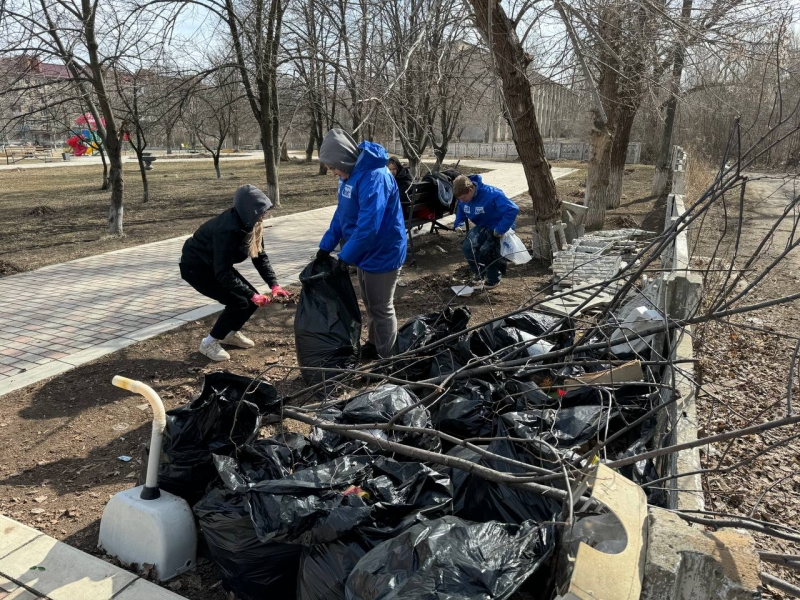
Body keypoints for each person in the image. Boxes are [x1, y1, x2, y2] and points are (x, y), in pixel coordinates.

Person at [316, 129, 407, 360]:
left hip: (383, 251)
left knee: (382, 307)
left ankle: (388, 359)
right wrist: (325, 246)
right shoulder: (348, 175)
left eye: (333, 167)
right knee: (370, 302)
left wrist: (345, 257)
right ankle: (374, 344)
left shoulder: (375, 177)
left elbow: (368, 226)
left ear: (343, 160)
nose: (334, 173)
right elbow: (341, 214)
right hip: (365, 251)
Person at [179, 184, 290, 362]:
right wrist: (252, 294)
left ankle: (229, 333)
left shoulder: (251, 224)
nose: (264, 214)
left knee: (251, 302)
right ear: (249, 209)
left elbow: (259, 256)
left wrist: (274, 285)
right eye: (261, 210)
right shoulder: (226, 230)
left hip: (216, 266)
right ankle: (209, 343)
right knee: (239, 302)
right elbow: (222, 273)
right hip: (197, 268)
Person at [452, 174, 519, 290]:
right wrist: (458, 223)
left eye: (463, 198)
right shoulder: (463, 196)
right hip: (483, 225)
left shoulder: (493, 194)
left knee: (487, 251)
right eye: (459, 199)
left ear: (471, 189)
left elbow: (512, 209)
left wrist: (500, 230)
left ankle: (493, 279)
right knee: (468, 246)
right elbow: (461, 209)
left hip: (499, 225)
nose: (462, 201)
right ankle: (479, 274)